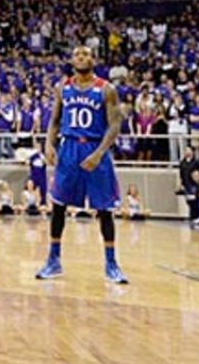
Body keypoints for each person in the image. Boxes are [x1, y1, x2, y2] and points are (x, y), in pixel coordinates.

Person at [35, 45, 129, 284]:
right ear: (72, 59)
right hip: (69, 149)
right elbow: (54, 121)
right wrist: (48, 145)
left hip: (95, 148)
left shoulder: (106, 89)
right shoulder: (62, 87)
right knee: (58, 206)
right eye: (77, 54)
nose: (81, 57)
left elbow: (115, 125)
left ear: (93, 59)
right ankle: (53, 260)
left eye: (86, 54)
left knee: (104, 209)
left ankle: (111, 264)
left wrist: (99, 153)